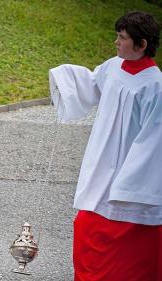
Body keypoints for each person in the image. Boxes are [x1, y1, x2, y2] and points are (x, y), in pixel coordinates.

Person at [49, 11, 162, 281]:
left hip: (127, 176)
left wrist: (125, 185)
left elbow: (152, 143)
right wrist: (66, 79)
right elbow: (92, 84)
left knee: (124, 252)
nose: (116, 42)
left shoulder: (155, 87)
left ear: (142, 44)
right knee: (87, 226)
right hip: (101, 166)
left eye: (122, 38)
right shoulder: (113, 66)